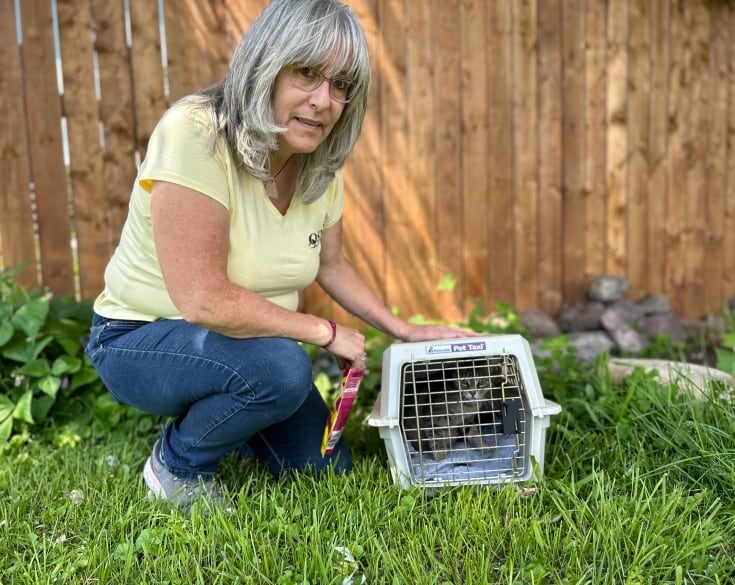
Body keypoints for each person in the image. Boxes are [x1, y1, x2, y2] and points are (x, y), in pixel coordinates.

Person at [85, 0, 478, 507]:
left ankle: (241, 416)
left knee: (323, 470)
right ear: (266, 66)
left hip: (248, 347)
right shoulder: (197, 133)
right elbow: (203, 301)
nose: (323, 100)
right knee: (282, 369)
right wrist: (325, 332)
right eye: (307, 74)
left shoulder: (317, 167)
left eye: (341, 86)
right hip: (138, 339)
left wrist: (402, 329)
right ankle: (178, 464)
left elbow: (332, 266)